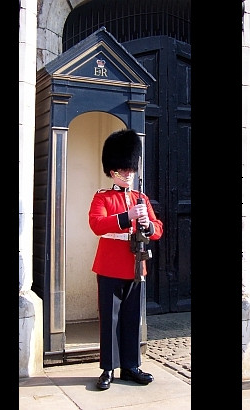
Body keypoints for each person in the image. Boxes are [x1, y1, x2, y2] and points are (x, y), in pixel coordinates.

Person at [88, 128, 163, 390]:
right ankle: (108, 368)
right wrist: (127, 216)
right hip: (109, 266)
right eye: (123, 170)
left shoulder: (141, 198)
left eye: (131, 170)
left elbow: (157, 228)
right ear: (112, 172)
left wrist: (147, 224)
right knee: (110, 319)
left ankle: (131, 366)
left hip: (135, 266)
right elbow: (97, 225)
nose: (128, 174)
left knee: (132, 318)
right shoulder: (102, 197)